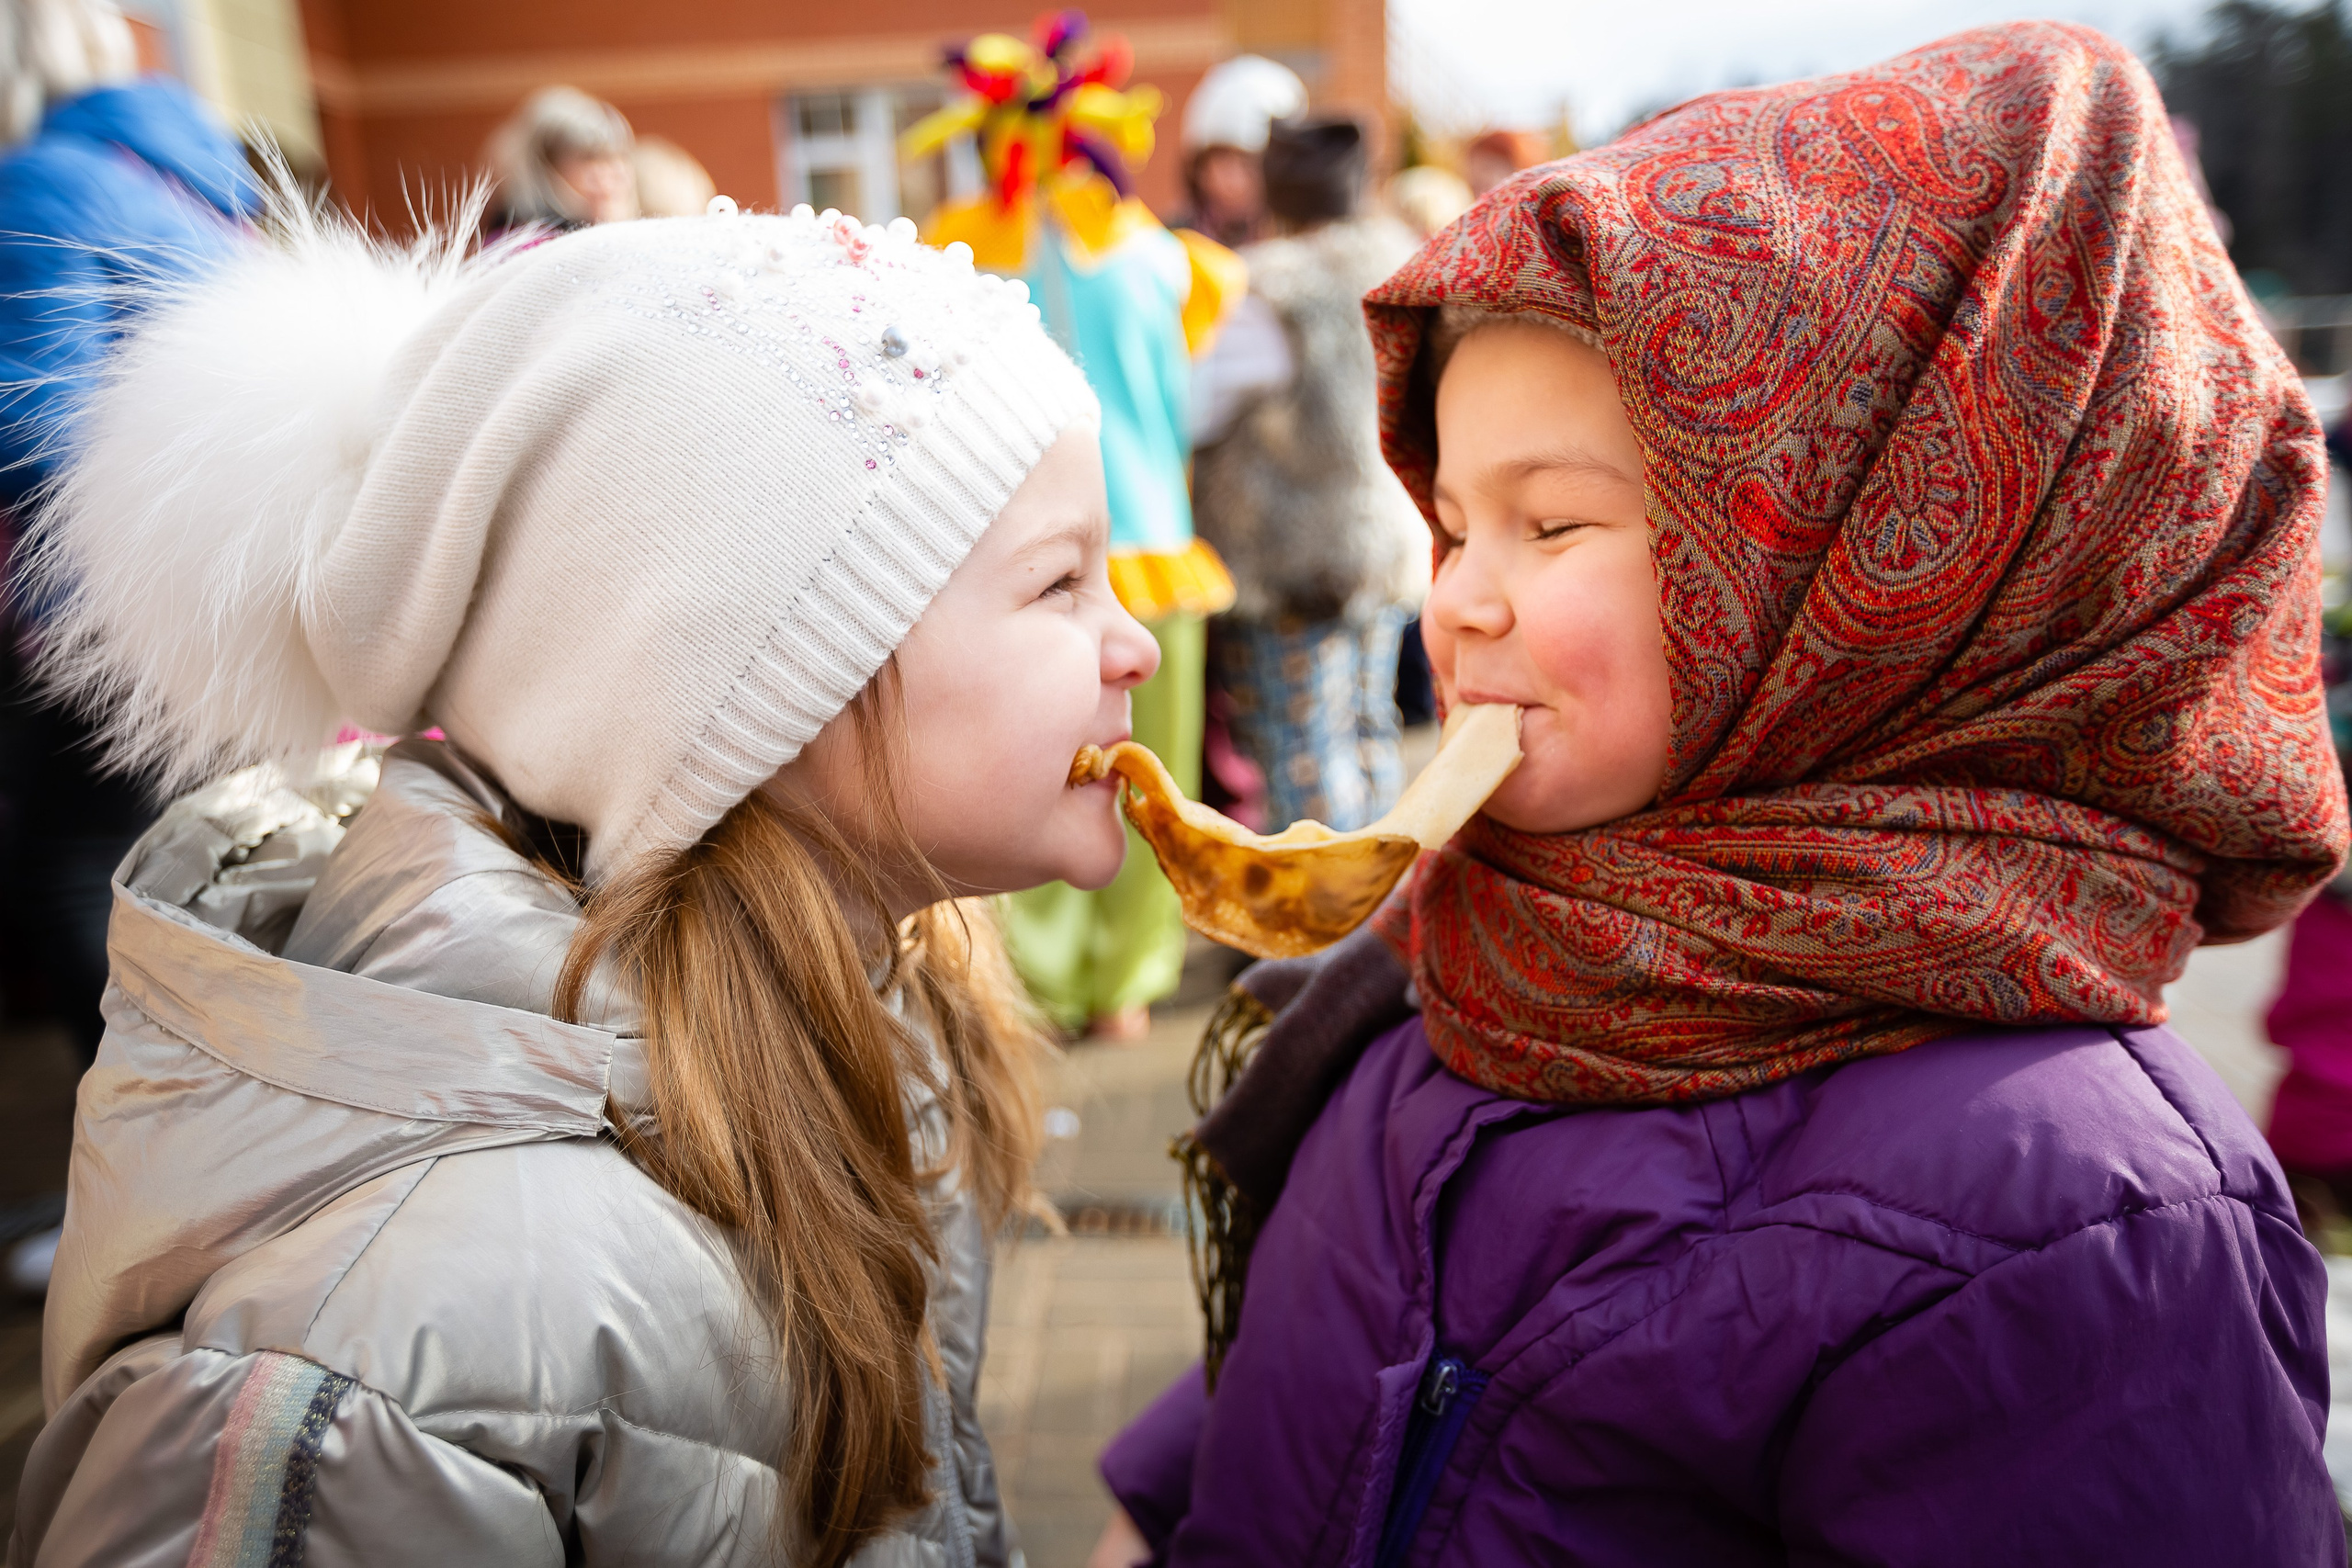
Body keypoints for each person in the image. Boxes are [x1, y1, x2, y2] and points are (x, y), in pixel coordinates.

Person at [1093, 24, 2346, 1567]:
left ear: (1880, 584)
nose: (1458, 602)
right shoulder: (1459, 957)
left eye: (1551, 525)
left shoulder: (2086, 1227)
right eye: (1454, 523)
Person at [12, 195, 1148, 1565]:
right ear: (752, 684)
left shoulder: (867, 1012)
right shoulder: (374, 1364)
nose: (1134, 640)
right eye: (1058, 585)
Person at [910, 14, 1240, 1041]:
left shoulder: (949, 254)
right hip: (1150, 552)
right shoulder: (1158, 257)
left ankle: (1036, 988)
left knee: (1022, 781)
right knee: (1149, 784)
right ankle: (1130, 988)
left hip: (1011, 569)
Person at [0, 0, 257, 1294]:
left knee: (72, 874)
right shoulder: (199, 185)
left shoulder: (44, 178)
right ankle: (218, 1163)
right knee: (191, 873)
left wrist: (52, 618)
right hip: (204, 589)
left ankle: (149, 1206)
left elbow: (33, 419)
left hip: (91, 606)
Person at [1192, 117, 1427, 833]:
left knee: (1302, 750)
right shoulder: (1401, 263)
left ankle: (1326, 928)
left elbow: (1195, 405)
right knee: (1367, 728)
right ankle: (1385, 908)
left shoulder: (1275, 286)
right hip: (1381, 534)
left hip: (1293, 551)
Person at [1170, 53, 1305, 249]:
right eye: (1222, 162)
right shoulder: (1172, 246)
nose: (1235, 182)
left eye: (1249, 164)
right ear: (1199, 169)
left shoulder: (1298, 245)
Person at [484, 84, 638, 228]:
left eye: (617, 157)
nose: (617, 173)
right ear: (546, 168)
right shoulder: (525, 244)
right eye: (590, 158)